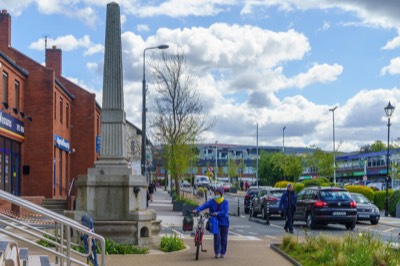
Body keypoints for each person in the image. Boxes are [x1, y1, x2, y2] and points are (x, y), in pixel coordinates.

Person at [193, 187, 229, 259]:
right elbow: (204, 205)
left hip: (224, 222)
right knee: (217, 237)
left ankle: (223, 252)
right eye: (215, 194)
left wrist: (217, 213)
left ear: (221, 194)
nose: (216, 195)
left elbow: (225, 212)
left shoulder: (225, 202)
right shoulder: (212, 201)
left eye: (218, 194)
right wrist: (197, 210)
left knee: (224, 239)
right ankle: (217, 252)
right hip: (215, 221)